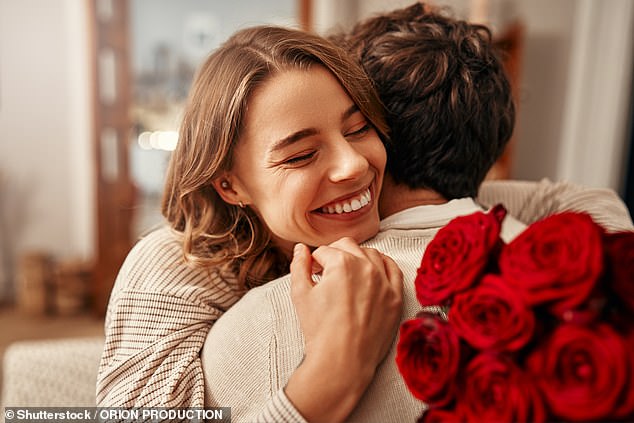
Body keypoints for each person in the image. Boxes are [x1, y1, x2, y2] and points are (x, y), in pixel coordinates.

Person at [97, 7, 632, 416]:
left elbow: (571, 200)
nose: (353, 165)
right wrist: (330, 376)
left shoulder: (392, 196)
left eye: (359, 128)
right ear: (232, 185)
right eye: (302, 154)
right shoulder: (174, 266)